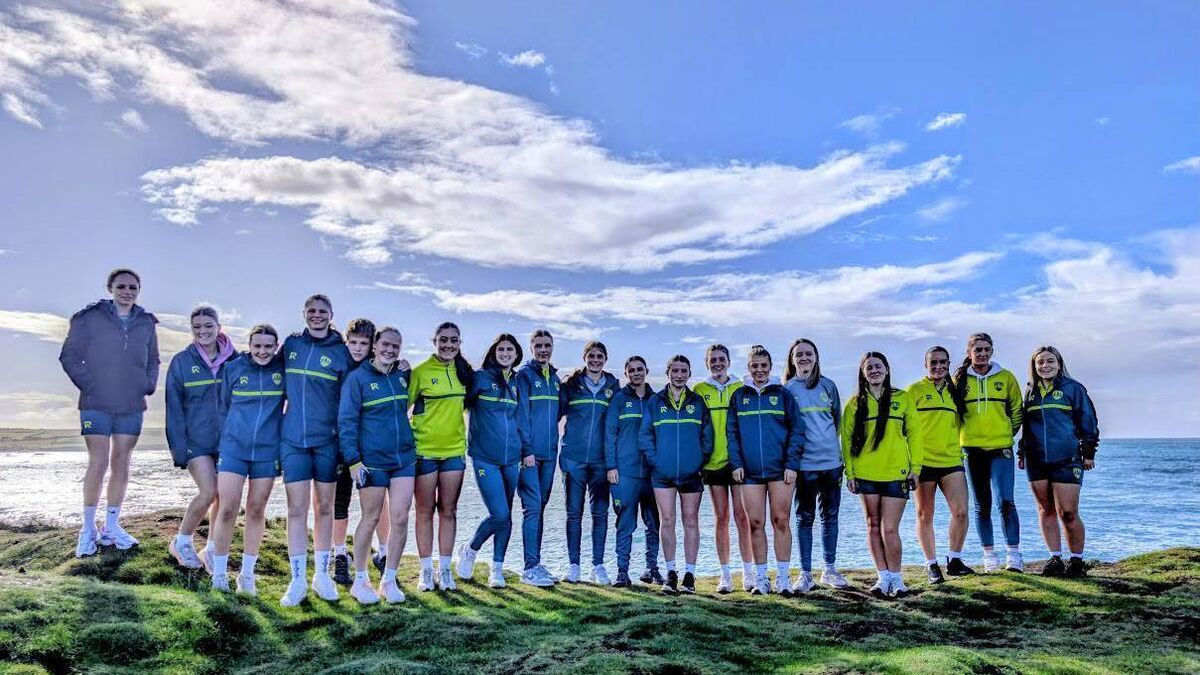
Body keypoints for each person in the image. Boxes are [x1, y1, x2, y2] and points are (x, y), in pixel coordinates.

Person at [60, 268, 160, 557]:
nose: (127, 292)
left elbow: (153, 359)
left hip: (131, 403)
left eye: (132, 287)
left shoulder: (146, 322)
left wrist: (148, 384)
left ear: (138, 290)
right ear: (110, 288)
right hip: (96, 401)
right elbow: (69, 356)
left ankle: (112, 526)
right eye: (121, 286)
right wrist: (89, 383)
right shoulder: (88, 317)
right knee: (99, 462)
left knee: (122, 462)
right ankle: (87, 528)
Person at [279, 294, 353, 606]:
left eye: (323, 311)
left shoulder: (341, 352)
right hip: (293, 440)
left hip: (327, 442)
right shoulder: (291, 345)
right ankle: (297, 579)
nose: (317, 315)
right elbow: (265, 366)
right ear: (304, 313)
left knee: (324, 508)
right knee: (296, 510)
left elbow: (352, 396)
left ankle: (322, 576)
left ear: (331, 315)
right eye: (311, 310)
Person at [337, 327, 416, 604]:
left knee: (401, 517)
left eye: (395, 346)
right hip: (371, 462)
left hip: (404, 459)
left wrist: (406, 368)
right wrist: (353, 460)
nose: (390, 350)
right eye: (385, 344)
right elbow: (346, 422)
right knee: (370, 518)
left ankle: (389, 580)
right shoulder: (357, 379)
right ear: (375, 345)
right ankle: (360, 581)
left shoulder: (402, 375)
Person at [208, 325, 285, 595]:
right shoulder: (233, 369)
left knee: (255, 510)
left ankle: (247, 575)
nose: (262, 351)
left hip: (267, 452)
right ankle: (219, 574)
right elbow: (222, 408)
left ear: (276, 347)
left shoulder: (282, 371)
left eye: (268, 346)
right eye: (257, 346)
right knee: (228, 508)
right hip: (233, 450)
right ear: (250, 346)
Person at [840, 352, 923, 598]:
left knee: (890, 528)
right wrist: (850, 473)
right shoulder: (854, 403)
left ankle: (897, 579)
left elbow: (915, 434)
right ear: (863, 373)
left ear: (886, 370)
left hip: (896, 473)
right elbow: (846, 440)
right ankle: (883, 577)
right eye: (869, 368)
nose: (874, 371)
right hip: (865, 474)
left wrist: (915, 468)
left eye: (878, 366)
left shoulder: (902, 398)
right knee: (873, 525)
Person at [456, 334, 532, 588]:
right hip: (484, 458)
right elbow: (458, 403)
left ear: (517, 354)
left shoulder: (518, 381)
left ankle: (497, 569)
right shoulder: (481, 378)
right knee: (499, 514)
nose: (505, 353)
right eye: (501, 349)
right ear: (494, 352)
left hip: (512, 458)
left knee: (506, 515)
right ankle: (470, 549)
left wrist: (526, 450)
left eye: (510, 349)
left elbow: (521, 419)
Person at [726, 346, 803, 596]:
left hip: (780, 471)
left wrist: (791, 465)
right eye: (754, 366)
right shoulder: (739, 396)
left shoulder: (783, 395)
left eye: (763, 366)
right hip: (749, 473)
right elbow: (732, 433)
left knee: (781, 521)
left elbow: (797, 431)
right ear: (748, 368)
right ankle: (761, 579)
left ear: (770, 367)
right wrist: (736, 463)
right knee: (755, 523)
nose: (759, 370)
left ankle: (783, 578)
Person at [1019, 346, 1099, 578]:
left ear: (1059, 363)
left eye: (1050, 361)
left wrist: (1089, 453)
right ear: (1034, 366)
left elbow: (1089, 421)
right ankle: (1055, 558)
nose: (1045, 366)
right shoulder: (1030, 391)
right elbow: (1027, 426)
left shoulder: (1073, 388)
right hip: (1036, 460)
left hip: (1067, 459)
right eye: (1040, 362)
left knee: (1068, 512)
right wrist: (1022, 452)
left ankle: (1076, 561)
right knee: (1045, 510)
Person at [166, 306, 235, 571]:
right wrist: (178, 450)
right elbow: (174, 408)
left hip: (228, 442)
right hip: (196, 442)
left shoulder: (235, 361)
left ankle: (213, 548)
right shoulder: (182, 362)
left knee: (224, 497)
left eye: (208, 326)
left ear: (219, 327)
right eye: (197, 327)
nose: (203, 331)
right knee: (208, 492)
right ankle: (182, 541)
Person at [639, 355, 713, 594]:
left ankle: (689, 575)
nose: (679, 375)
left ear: (689, 374)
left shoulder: (697, 401)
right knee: (667, 520)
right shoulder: (655, 401)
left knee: (690, 521)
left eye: (684, 371)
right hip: (663, 474)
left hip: (691, 474)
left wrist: (699, 461)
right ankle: (671, 573)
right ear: (668, 373)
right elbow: (645, 435)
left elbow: (708, 436)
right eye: (675, 371)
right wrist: (656, 462)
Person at [953, 332, 1025, 573]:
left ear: (992, 351)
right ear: (969, 352)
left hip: (1001, 449)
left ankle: (1013, 555)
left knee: (1006, 502)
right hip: (972, 450)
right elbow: (954, 416)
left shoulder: (1006, 377)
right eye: (978, 350)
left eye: (986, 349)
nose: (982, 354)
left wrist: (1005, 434)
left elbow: (1017, 411)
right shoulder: (959, 380)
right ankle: (989, 557)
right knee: (981, 505)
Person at [410, 322, 474, 591]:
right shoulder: (420, 373)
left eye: (454, 340)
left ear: (460, 343)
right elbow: (401, 408)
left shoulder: (465, 373)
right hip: (424, 451)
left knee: (449, 510)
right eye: (443, 340)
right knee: (424, 511)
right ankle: (426, 571)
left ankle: (445, 570)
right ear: (434, 341)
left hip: (454, 452)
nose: (448, 345)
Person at [783, 338, 849, 591]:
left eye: (808, 353)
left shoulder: (828, 386)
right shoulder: (788, 390)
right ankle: (806, 574)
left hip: (831, 464)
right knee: (804, 518)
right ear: (792, 360)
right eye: (799, 354)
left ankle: (829, 570)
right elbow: (787, 428)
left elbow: (837, 421)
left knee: (830, 517)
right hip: (804, 466)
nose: (804, 358)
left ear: (816, 357)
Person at [907, 346, 976, 583]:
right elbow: (903, 428)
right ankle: (931, 564)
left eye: (942, 362)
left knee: (961, 512)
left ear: (948, 364)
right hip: (923, 463)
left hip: (951, 460)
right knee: (924, 514)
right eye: (933, 363)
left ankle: (954, 560)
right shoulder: (914, 391)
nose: (938, 367)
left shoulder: (955, 392)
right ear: (925, 365)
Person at [693, 344, 754, 593]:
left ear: (729, 361)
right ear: (707, 363)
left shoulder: (741, 387)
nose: (717, 363)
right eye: (713, 360)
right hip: (712, 463)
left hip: (738, 463)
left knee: (743, 518)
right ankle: (725, 575)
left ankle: (748, 573)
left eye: (721, 359)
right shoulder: (699, 390)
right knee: (721, 518)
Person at [558, 341, 620, 584]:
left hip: (601, 462)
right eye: (591, 356)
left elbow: (617, 425)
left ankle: (598, 566)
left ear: (605, 359)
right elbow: (553, 416)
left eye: (600, 356)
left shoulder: (613, 387)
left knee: (600, 514)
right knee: (574, 513)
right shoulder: (571, 385)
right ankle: (573, 566)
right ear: (585, 358)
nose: (595, 360)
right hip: (573, 459)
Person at [604, 356, 662, 587]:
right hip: (625, 473)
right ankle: (622, 572)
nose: (636, 373)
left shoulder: (656, 400)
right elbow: (610, 434)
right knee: (625, 524)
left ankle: (652, 569)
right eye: (632, 370)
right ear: (626, 374)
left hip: (652, 474)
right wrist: (611, 466)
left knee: (654, 524)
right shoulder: (619, 400)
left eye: (640, 369)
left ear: (647, 371)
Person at [332, 318, 379, 585]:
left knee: (376, 503)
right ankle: (340, 554)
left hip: (371, 444)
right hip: (340, 443)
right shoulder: (339, 365)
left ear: (372, 345)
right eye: (353, 342)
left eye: (364, 343)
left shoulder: (381, 367)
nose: (358, 348)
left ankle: (383, 552)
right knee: (340, 502)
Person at [513, 330, 560, 587]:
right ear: (531, 347)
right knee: (531, 508)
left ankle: (536, 562)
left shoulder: (555, 378)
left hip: (550, 454)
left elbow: (556, 414)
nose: (543, 350)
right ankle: (529, 568)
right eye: (539, 345)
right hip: (529, 456)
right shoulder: (524, 376)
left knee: (540, 508)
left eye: (547, 345)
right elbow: (521, 415)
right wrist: (526, 450)